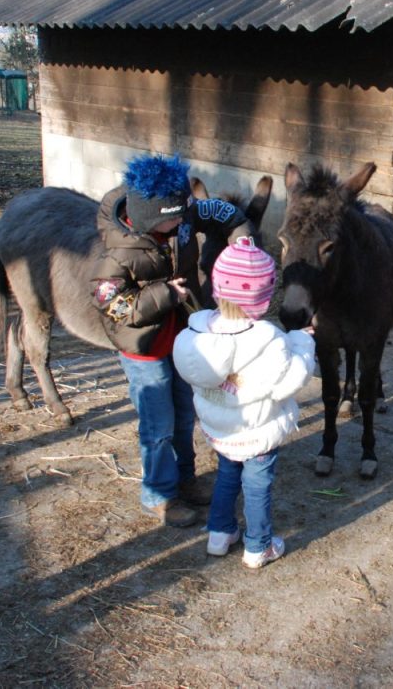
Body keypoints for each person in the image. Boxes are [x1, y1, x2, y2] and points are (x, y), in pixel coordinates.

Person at [92, 154, 247, 526]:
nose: (184, 223)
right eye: (174, 220)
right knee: (157, 425)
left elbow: (222, 213)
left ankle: (186, 480)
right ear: (147, 220)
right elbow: (111, 303)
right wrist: (166, 294)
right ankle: (159, 494)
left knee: (183, 415)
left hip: (181, 340)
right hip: (144, 348)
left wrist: (243, 242)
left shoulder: (181, 211)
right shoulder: (120, 251)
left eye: (184, 215)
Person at [173, 238, 316, 568]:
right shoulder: (269, 341)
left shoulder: (197, 335)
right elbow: (290, 380)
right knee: (257, 486)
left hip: (221, 432)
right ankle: (258, 546)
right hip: (257, 433)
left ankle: (220, 534)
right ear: (264, 298)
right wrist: (303, 343)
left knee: (226, 476)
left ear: (218, 290)